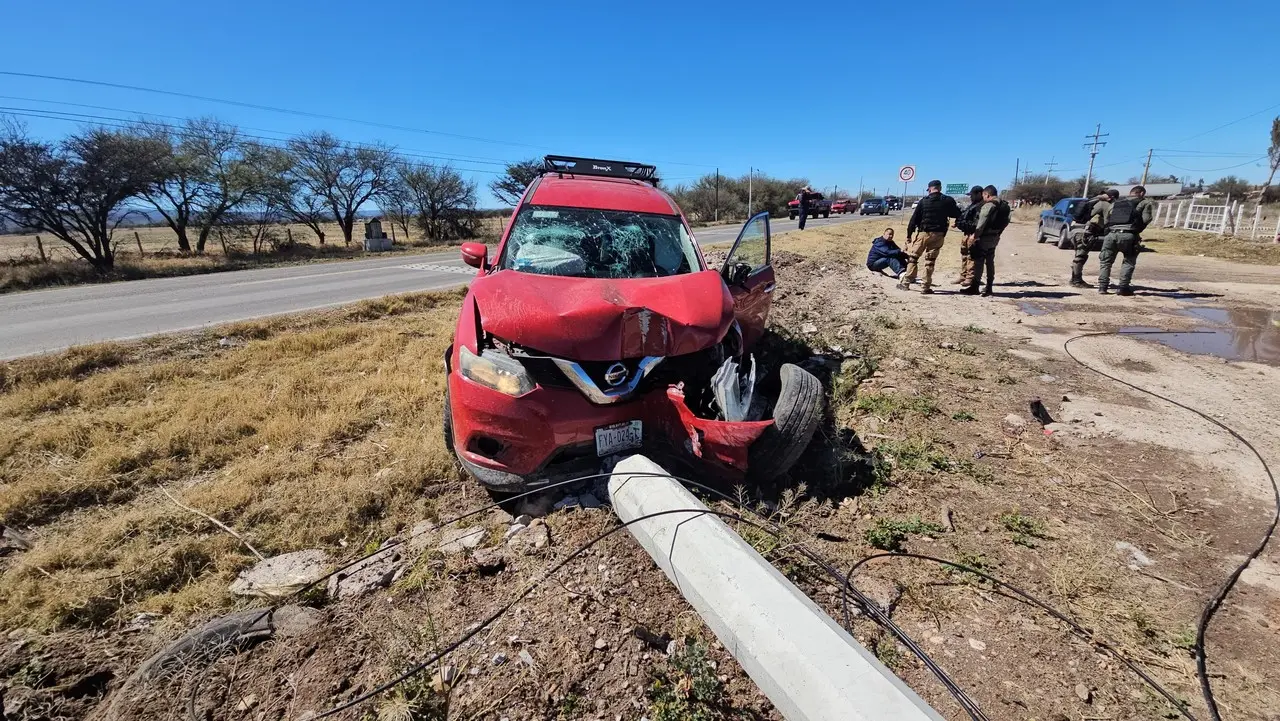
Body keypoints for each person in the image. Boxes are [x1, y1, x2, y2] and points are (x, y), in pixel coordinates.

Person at [898, 179, 960, 294]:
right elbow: (957, 214)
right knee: (930, 261)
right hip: (938, 234)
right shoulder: (947, 200)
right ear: (940, 188)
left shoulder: (923, 201)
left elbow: (914, 219)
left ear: (930, 189)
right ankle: (925, 287)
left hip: (923, 233)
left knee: (913, 258)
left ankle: (906, 283)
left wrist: (909, 235)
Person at [1096, 185, 1155, 296]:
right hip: (1129, 235)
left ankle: (1102, 287)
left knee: (1105, 262)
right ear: (1141, 193)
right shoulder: (1144, 203)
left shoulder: (1117, 203)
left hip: (1111, 235)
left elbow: (1107, 219)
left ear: (1130, 192)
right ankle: (1123, 288)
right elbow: (1146, 219)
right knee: (1128, 261)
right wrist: (1137, 228)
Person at [962, 185, 1010, 296]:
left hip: (984, 238)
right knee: (990, 262)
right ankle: (989, 287)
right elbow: (1006, 222)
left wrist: (974, 237)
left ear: (986, 194)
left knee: (978, 262)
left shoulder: (988, 206)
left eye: (984, 195)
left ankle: (975, 287)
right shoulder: (1005, 206)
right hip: (994, 237)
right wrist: (998, 233)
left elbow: (981, 223)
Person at [1069, 189, 1118, 288]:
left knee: (1078, 256)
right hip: (1086, 232)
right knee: (1080, 257)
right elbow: (1107, 221)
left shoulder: (1092, 201)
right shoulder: (1105, 204)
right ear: (1113, 198)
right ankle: (1077, 281)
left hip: (1075, 230)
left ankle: (1074, 279)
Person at [954, 186, 985, 286]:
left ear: (979, 194)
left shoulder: (982, 206)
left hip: (973, 234)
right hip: (966, 233)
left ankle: (970, 278)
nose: (971, 197)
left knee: (971, 256)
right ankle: (963, 275)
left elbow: (979, 222)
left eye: (972, 195)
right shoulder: (972, 205)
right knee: (964, 255)